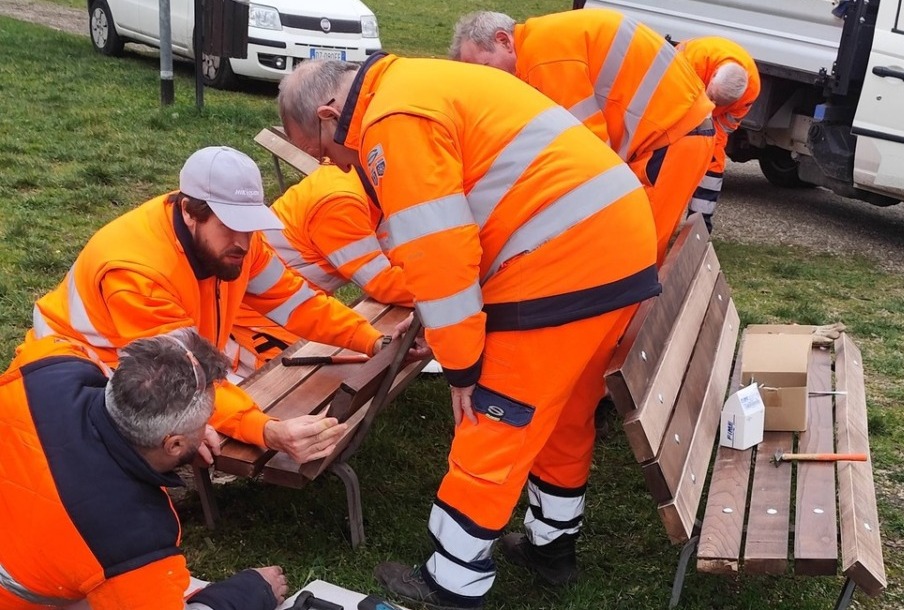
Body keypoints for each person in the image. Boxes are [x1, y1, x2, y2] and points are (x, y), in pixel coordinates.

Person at [278, 55, 661, 609]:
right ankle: (551, 547)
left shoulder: (391, 121)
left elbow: (441, 254)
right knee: (565, 411)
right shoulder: (418, 80)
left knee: (493, 418)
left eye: (325, 153)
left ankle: (452, 582)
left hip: (560, 264)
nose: (336, 166)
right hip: (612, 251)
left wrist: (461, 366)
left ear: (328, 114)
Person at [18, 146, 390, 464]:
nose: (243, 242)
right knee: (167, 425)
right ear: (190, 212)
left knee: (222, 398)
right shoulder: (137, 272)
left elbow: (295, 302)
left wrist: (372, 340)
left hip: (162, 348)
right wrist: (269, 431)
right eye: (231, 226)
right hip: (83, 361)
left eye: (249, 225)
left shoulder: (239, 242)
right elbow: (178, 374)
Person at [0, 329, 288, 609]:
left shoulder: (51, 363)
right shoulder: (133, 538)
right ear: (173, 445)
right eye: (205, 421)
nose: (207, 428)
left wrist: (188, 436)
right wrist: (247, 593)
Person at [450, 8, 715, 262]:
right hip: (676, 134)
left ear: (503, 40)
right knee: (633, 245)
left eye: (485, 67)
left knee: (635, 254)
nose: (488, 80)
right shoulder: (548, 38)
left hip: (673, 139)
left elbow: (588, 149)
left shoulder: (542, 56)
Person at [228, 163, 412, 379]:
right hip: (254, 315)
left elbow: (301, 304)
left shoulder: (365, 188)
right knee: (286, 381)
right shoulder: (341, 203)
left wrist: (372, 341)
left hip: (290, 300)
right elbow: (383, 283)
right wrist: (448, 292)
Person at [677, 36, 761, 233]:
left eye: (720, 103)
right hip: (682, 97)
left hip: (710, 116)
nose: (714, 104)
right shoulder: (690, 63)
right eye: (713, 98)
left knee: (714, 160)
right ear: (712, 76)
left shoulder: (750, 91)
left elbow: (723, 128)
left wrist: (708, 147)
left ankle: (700, 225)